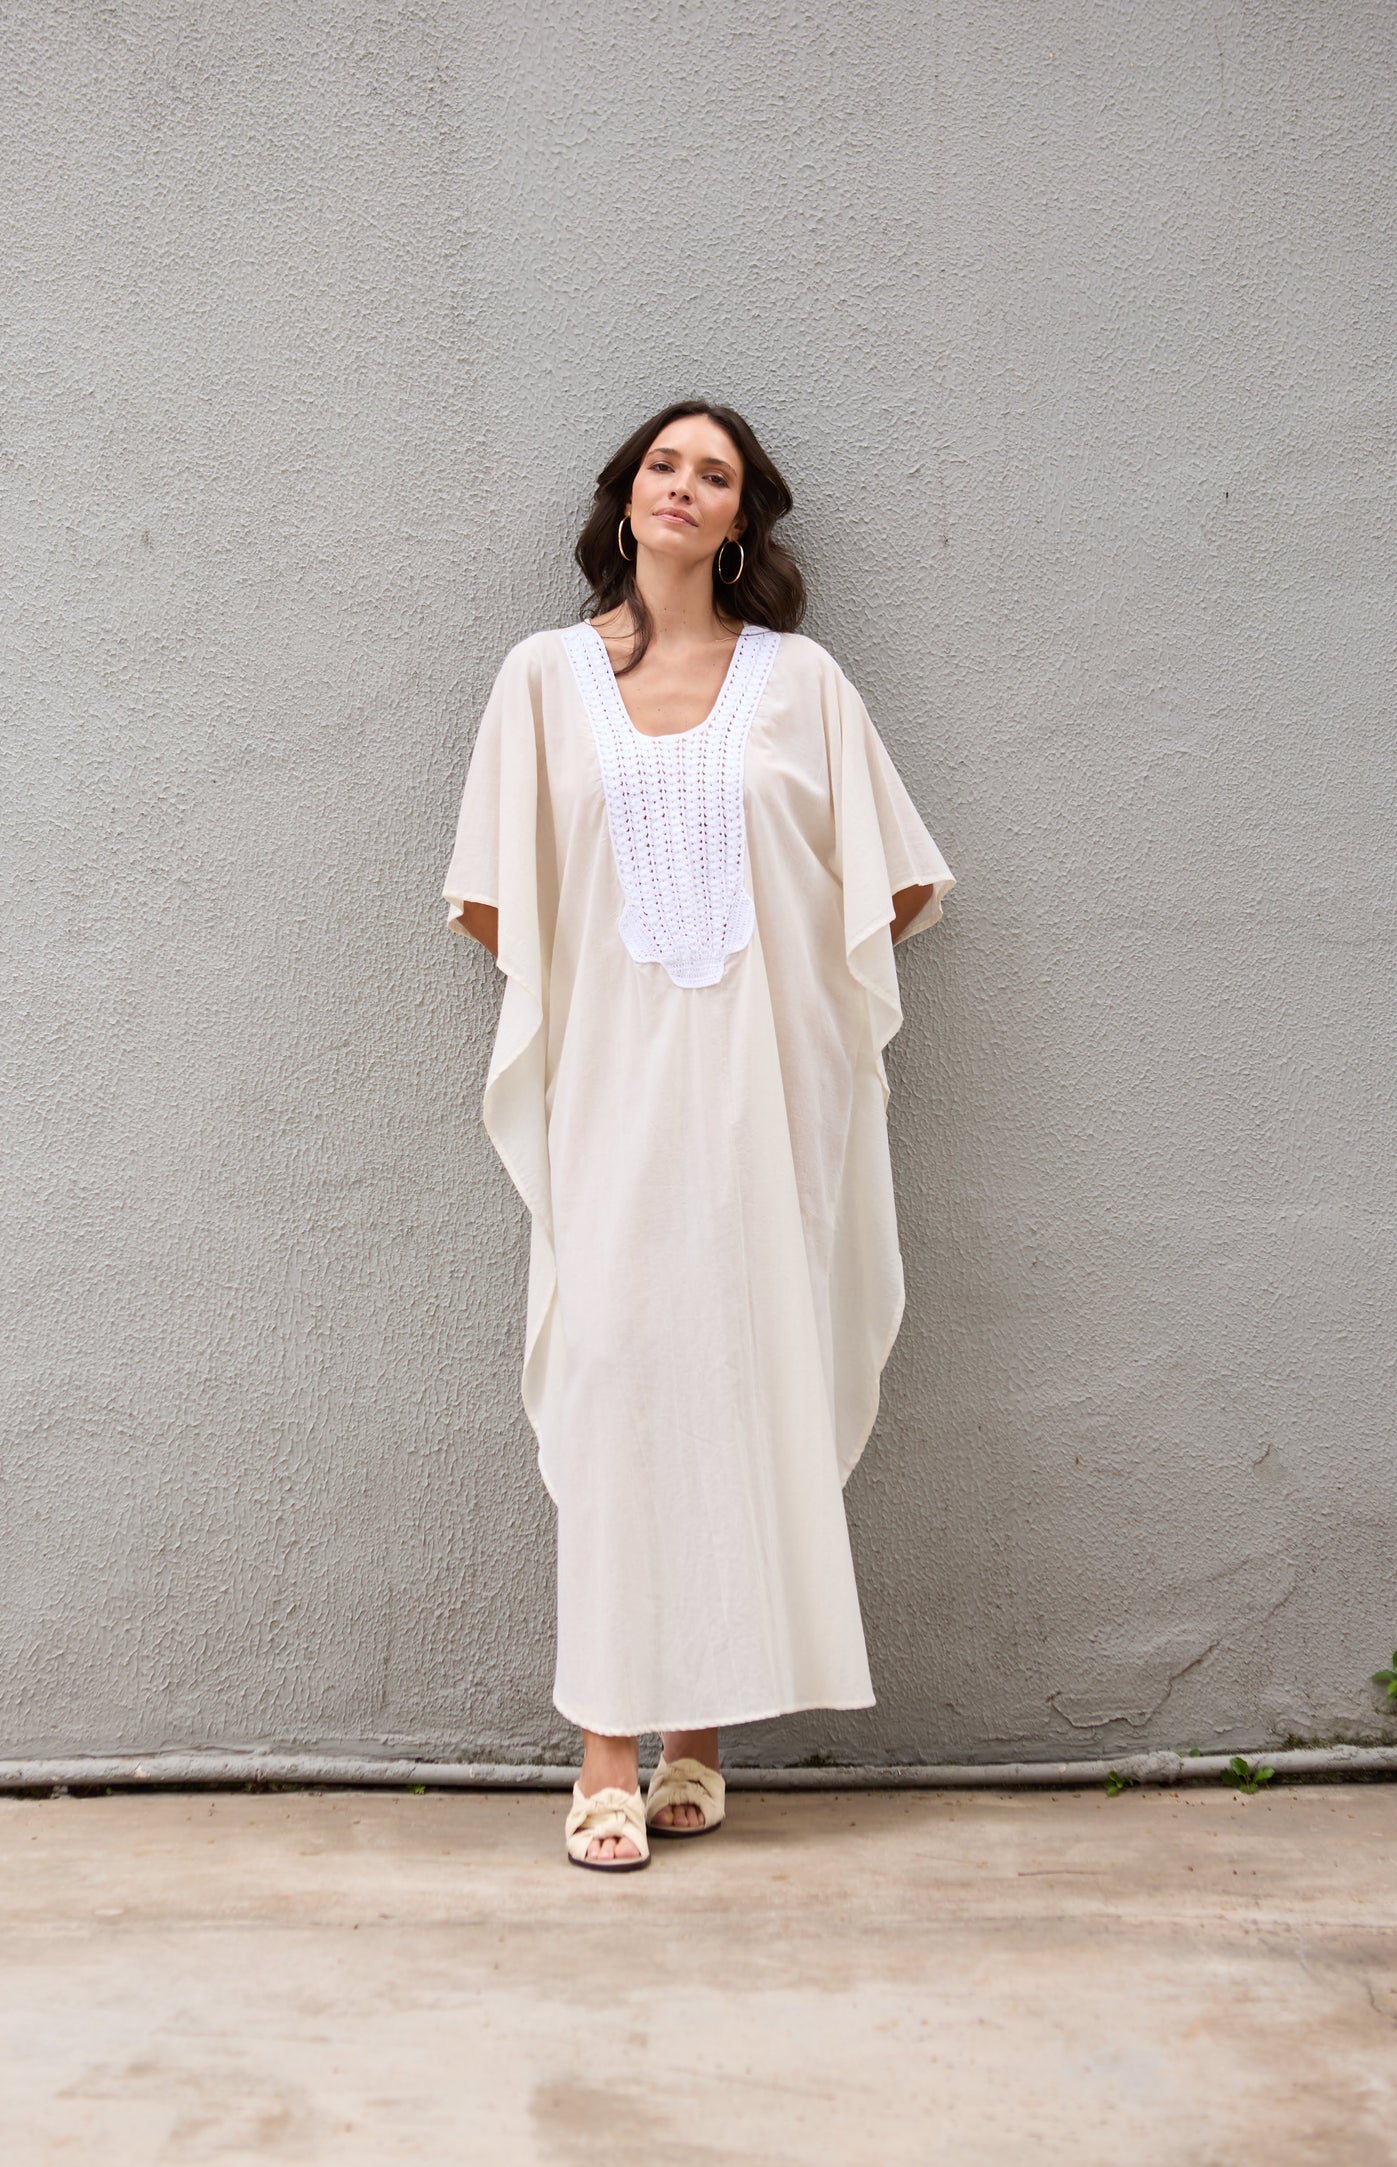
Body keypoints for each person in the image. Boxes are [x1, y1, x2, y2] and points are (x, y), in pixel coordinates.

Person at [442, 400, 955, 1869]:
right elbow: (490, 897)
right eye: (663, 465)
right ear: (626, 498)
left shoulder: (802, 684)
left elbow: (892, 885)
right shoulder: (542, 680)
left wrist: (775, 1001)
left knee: (735, 1378)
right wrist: (622, 995)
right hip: (613, 1093)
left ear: (743, 519)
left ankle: (698, 1747)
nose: (683, 487)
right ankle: (605, 1748)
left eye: (713, 474)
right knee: (618, 1383)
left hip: (763, 1100)